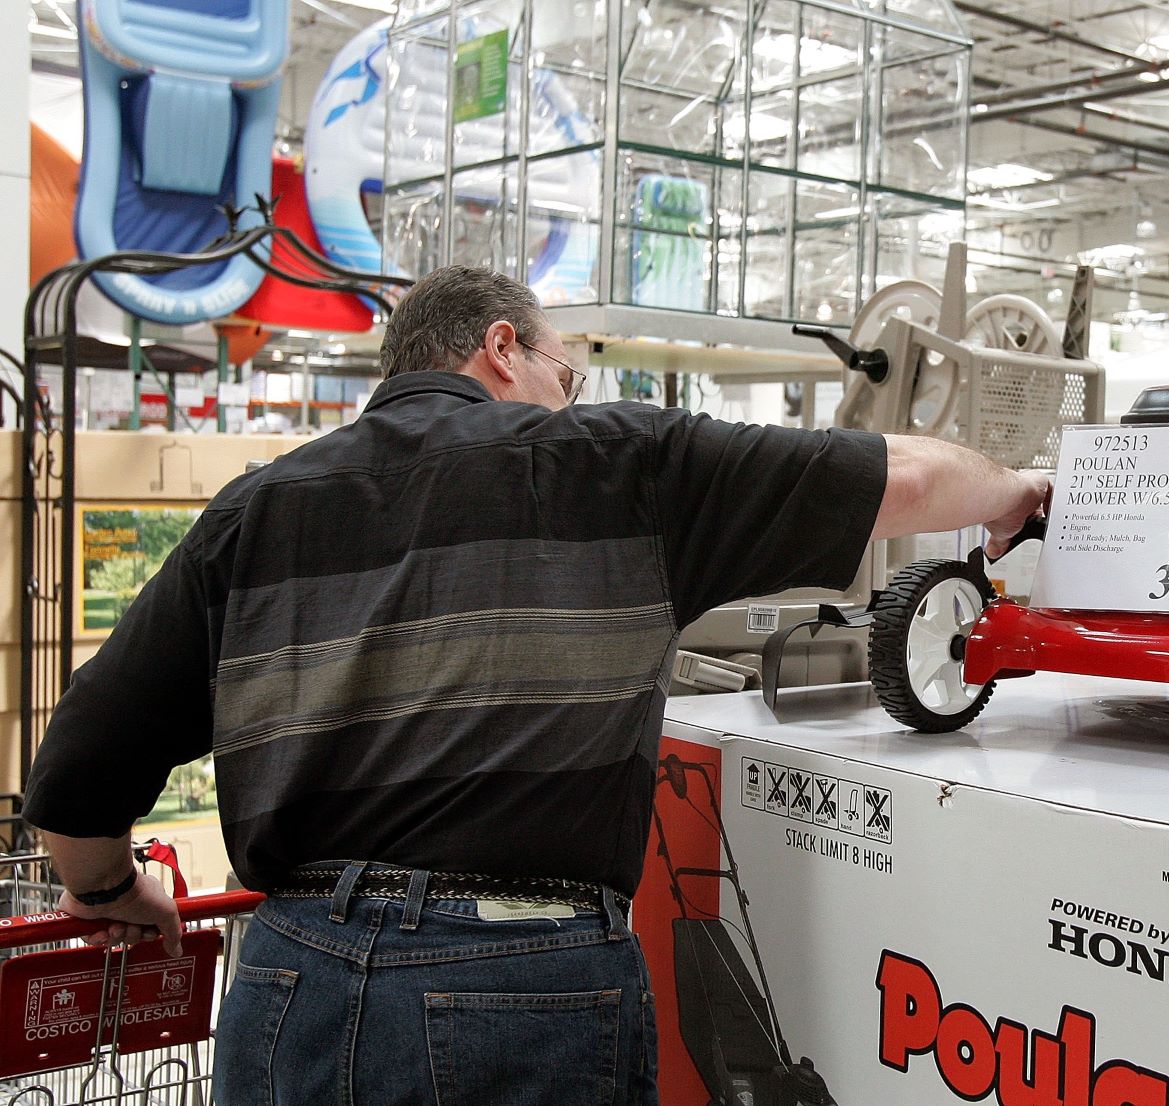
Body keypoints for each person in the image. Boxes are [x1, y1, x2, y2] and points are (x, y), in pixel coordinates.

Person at [22, 265, 1050, 1104]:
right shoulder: (620, 463)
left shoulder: (260, 506)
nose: (573, 398)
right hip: (523, 986)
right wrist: (1016, 494)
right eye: (568, 373)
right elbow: (905, 482)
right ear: (502, 346)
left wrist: (110, 887)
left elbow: (76, 764)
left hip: (290, 976)